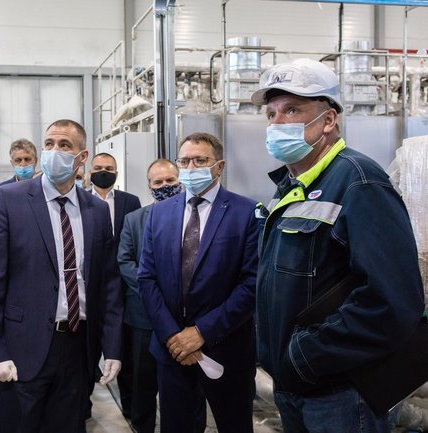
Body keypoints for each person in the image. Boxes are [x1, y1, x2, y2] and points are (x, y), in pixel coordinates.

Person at [250, 58, 425, 432]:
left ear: (328, 120)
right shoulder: (292, 186)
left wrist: (305, 355)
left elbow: (393, 300)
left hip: (340, 392)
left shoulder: (359, 182)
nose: (277, 124)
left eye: (292, 110)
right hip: (295, 385)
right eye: (271, 114)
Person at [0, 119, 123, 433]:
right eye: (49, 144)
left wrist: (112, 346)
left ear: (82, 156)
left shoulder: (96, 211)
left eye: (64, 145)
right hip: (22, 347)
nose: (55, 151)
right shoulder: (7, 199)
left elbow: (108, 285)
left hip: (78, 347)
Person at [137, 132, 259, 433]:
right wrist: (172, 335)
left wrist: (202, 332)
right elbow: (147, 278)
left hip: (226, 347)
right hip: (172, 351)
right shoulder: (159, 213)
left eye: (200, 161)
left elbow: (252, 283)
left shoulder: (247, 212)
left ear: (219, 166)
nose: (191, 168)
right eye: (185, 161)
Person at [117, 159, 182, 433]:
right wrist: (154, 291)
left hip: (183, 319)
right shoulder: (134, 220)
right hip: (144, 317)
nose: (165, 186)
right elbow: (125, 261)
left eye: (170, 180)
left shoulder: (194, 216)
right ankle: (142, 426)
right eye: (158, 182)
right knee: (142, 381)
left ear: (179, 181)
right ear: (149, 186)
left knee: (182, 384)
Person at [87, 152, 141, 418]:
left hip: (123, 286)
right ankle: (82, 406)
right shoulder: (80, 200)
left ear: (117, 172)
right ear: (89, 171)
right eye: (98, 167)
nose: (103, 172)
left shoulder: (130, 201)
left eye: (109, 168)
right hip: (89, 287)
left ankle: (130, 407)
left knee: (126, 352)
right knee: (86, 353)